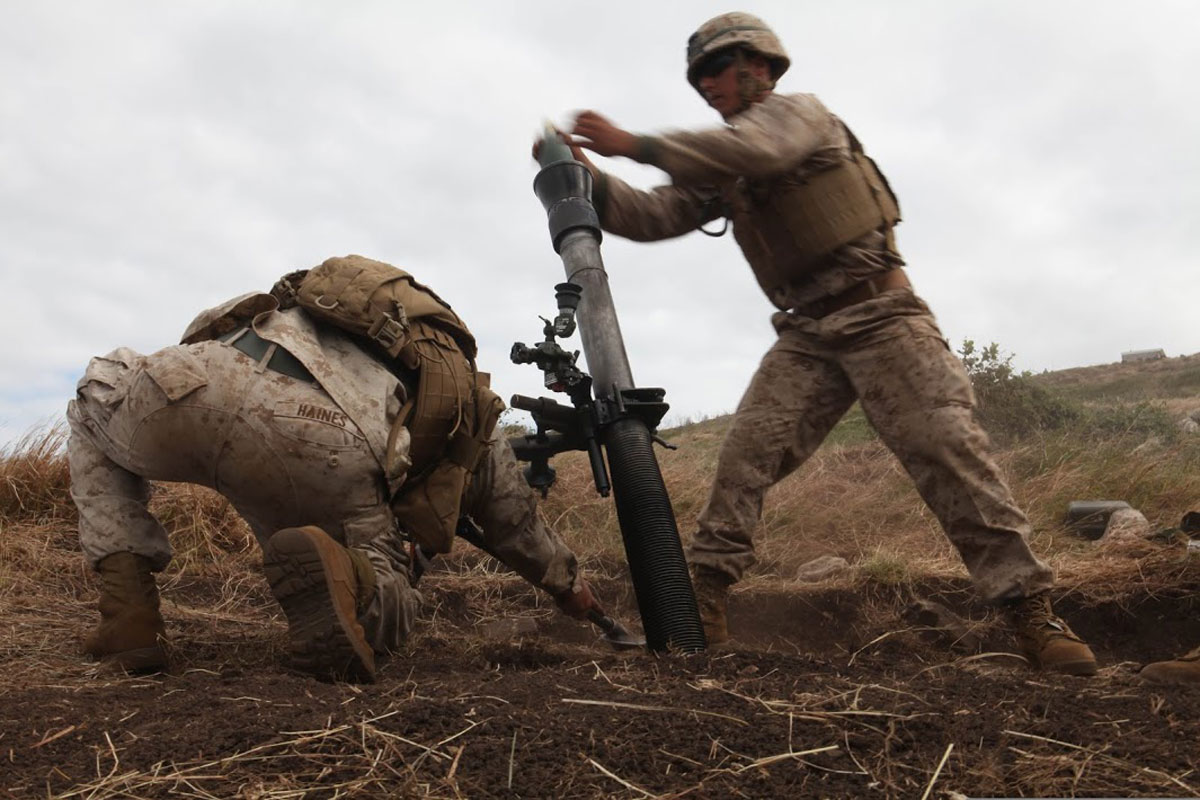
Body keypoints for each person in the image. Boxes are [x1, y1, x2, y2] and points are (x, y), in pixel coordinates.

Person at [556, 12, 1097, 675]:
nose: (706, 86)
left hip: (882, 314)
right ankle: (700, 608)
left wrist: (634, 143)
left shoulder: (797, 117)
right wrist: (587, 179)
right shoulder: (719, 161)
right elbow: (655, 215)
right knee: (745, 459)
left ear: (759, 67)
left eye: (716, 71)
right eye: (698, 76)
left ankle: (1033, 615)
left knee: (947, 454)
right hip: (808, 333)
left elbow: (760, 153)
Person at [67, 254, 602, 682]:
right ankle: (355, 580)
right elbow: (514, 520)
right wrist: (567, 585)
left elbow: (199, 336)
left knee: (90, 408)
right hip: (323, 436)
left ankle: (128, 614)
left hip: (194, 379)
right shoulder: (464, 401)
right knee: (384, 604)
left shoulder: (294, 312)